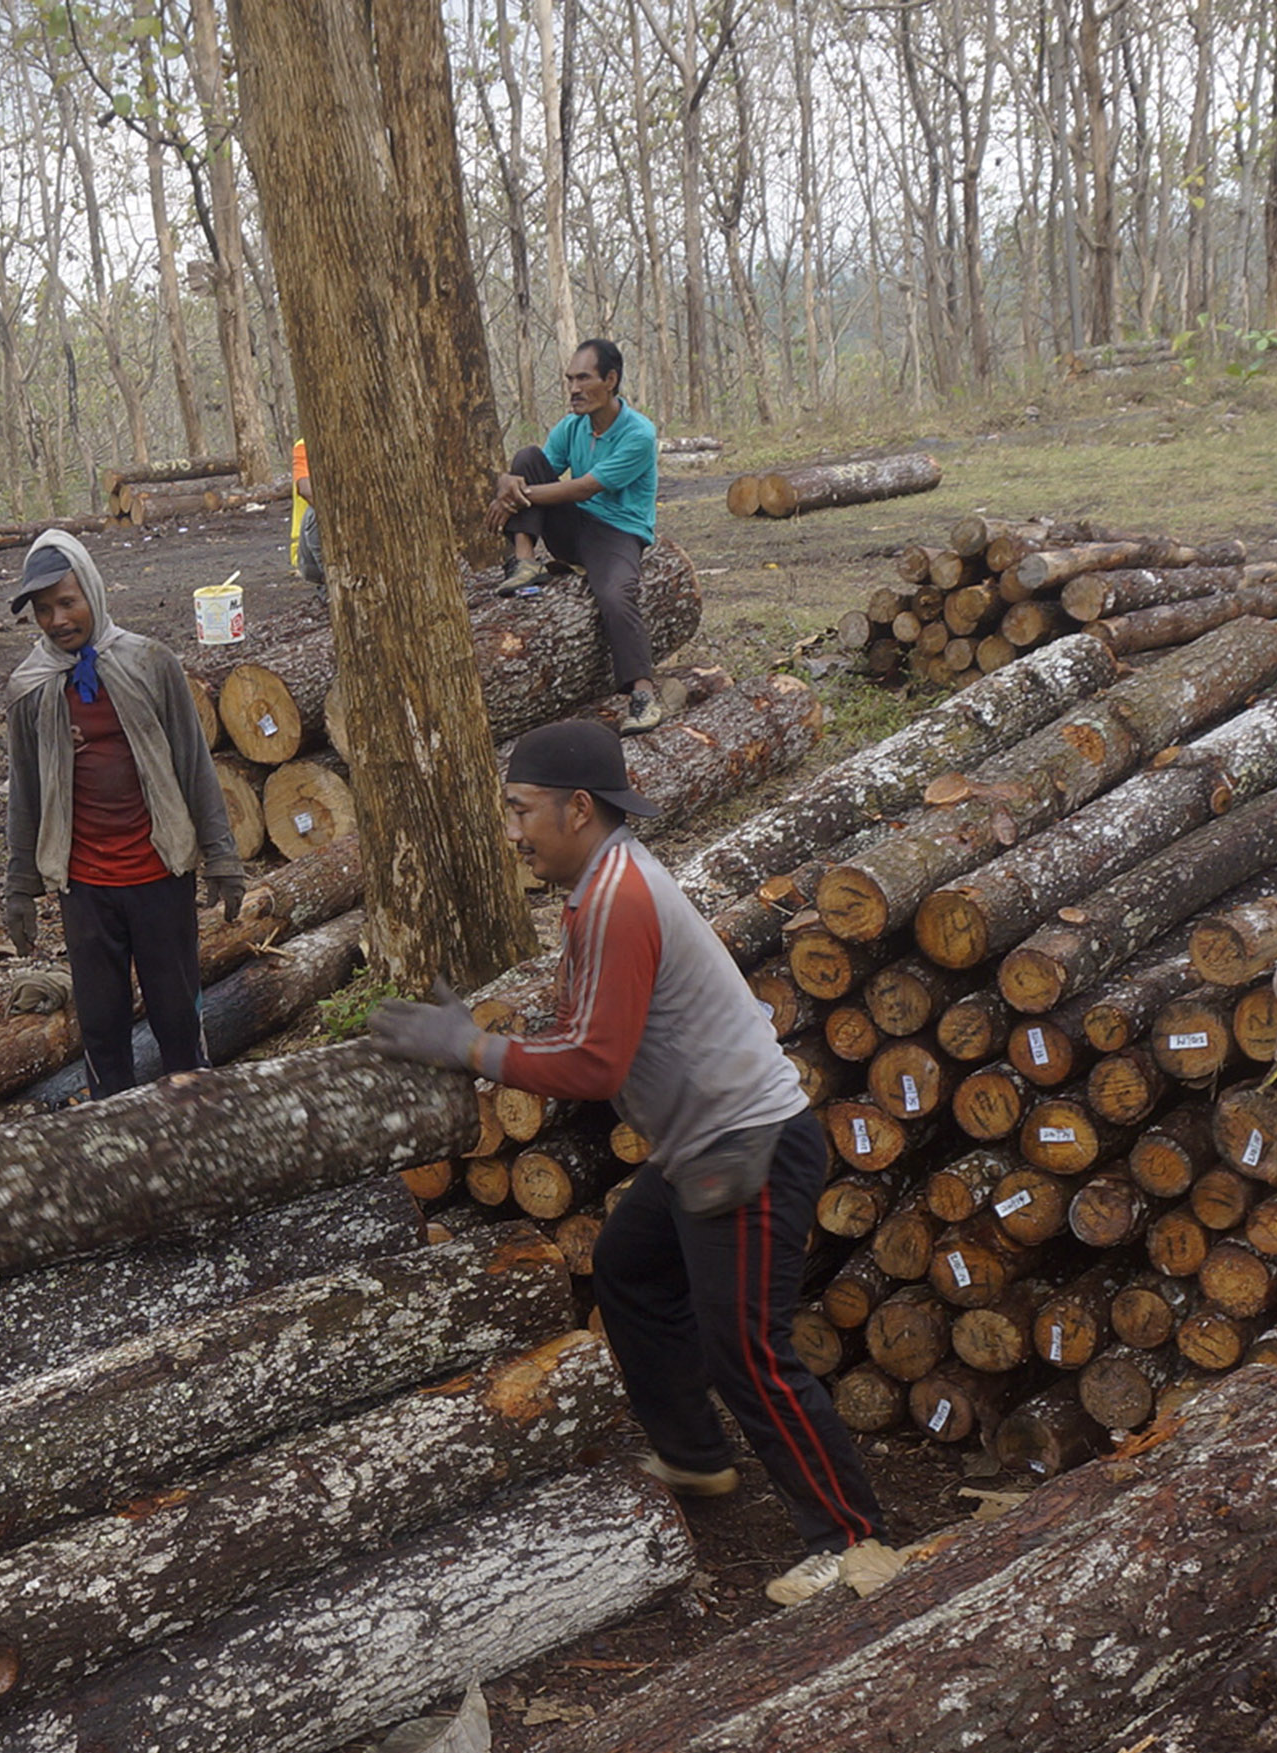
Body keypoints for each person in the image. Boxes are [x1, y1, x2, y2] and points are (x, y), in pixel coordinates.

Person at [369, 718, 899, 1607]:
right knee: (628, 1265)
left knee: (750, 1352)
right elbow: (588, 1036)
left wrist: (470, 1049)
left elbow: (592, 1067)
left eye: (521, 809)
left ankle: (853, 1541)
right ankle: (697, 1456)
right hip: (707, 1144)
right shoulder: (602, 887)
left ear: (580, 809)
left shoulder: (619, 897)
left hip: (750, 1144)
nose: (512, 830)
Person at [0, 530, 246, 1100]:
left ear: (93, 591)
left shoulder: (149, 663)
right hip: (85, 885)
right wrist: (20, 887)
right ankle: (112, 1138)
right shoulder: (31, 691)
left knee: (177, 1016)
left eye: (67, 601)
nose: (57, 619)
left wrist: (222, 858)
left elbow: (193, 765)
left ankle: (192, 1126)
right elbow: (26, 791)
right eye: (43, 610)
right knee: (102, 1024)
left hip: (160, 874)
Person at [490, 339, 667, 733]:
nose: (573, 388)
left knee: (615, 595)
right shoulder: (572, 426)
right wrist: (510, 482)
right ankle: (524, 563)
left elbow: (585, 487)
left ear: (611, 379)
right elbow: (538, 473)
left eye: (583, 378)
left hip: (618, 532)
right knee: (526, 459)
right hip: (574, 528)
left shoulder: (638, 433)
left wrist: (513, 494)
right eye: (570, 378)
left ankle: (642, 695)